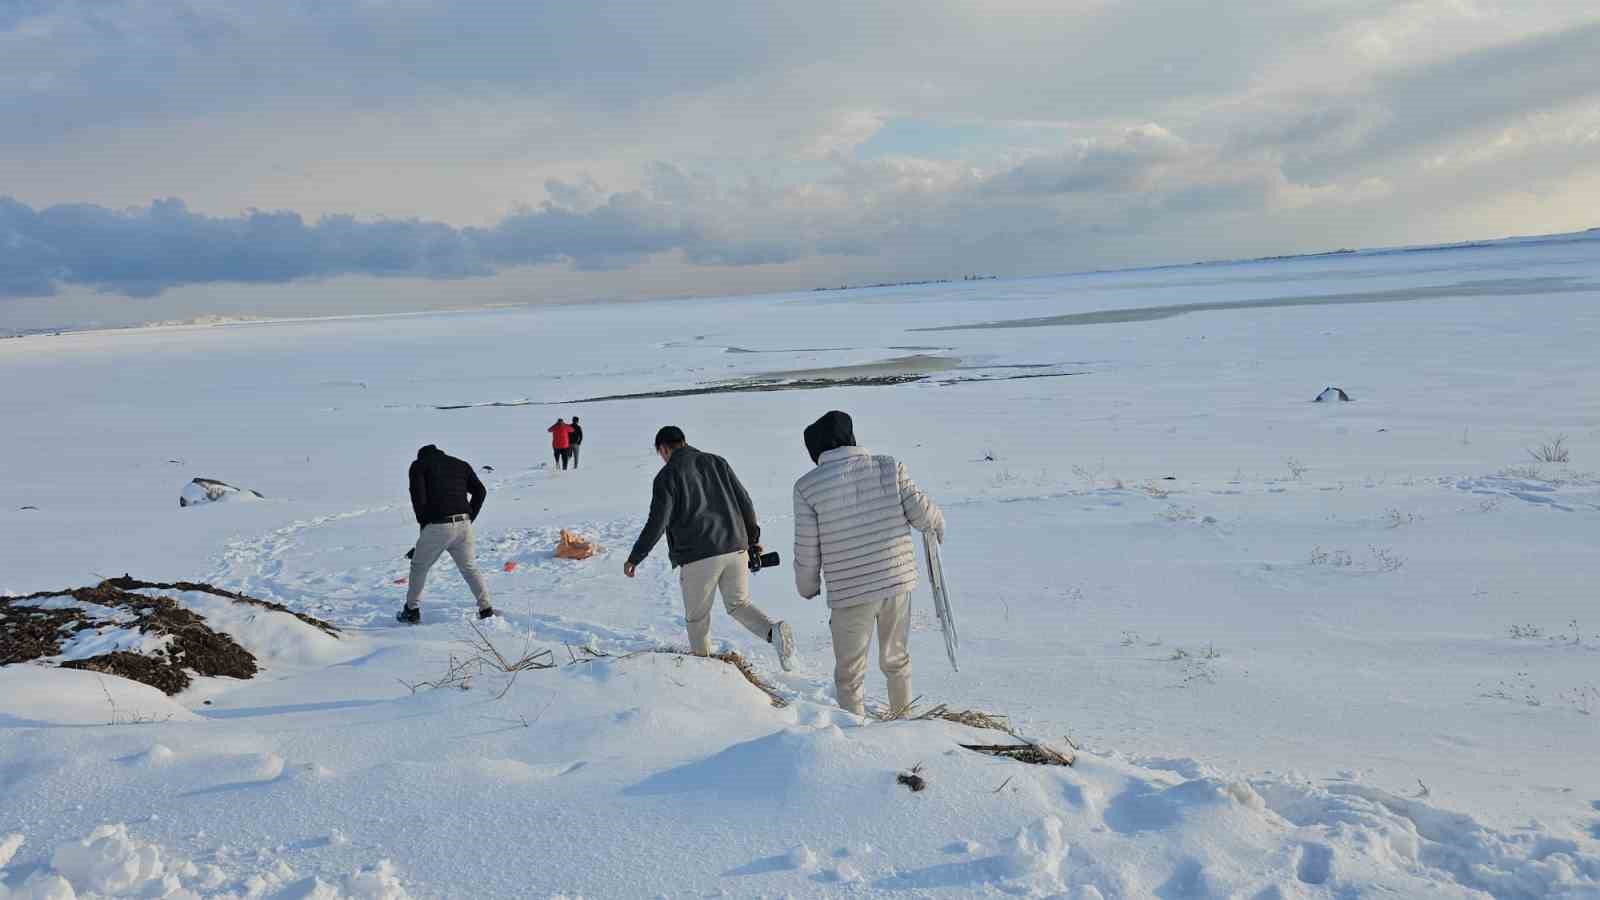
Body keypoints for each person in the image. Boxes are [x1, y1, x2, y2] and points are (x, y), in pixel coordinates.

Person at [793, 411, 944, 716]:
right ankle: (904, 720)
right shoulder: (889, 467)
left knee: (849, 673)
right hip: (896, 583)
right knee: (896, 659)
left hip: (850, 591)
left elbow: (807, 546)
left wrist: (807, 586)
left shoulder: (807, 487)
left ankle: (854, 732)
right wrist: (938, 525)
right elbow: (925, 516)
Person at [624, 426, 796, 671]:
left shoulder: (667, 476)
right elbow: (744, 501)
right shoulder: (717, 462)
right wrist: (752, 539)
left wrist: (635, 557)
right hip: (736, 547)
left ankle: (704, 671)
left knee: (697, 617)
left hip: (699, 555)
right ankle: (773, 632)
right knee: (739, 604)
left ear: (663, 449)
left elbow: (657, 522)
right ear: (683, 441)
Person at [399, 444, 494, 623]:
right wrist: (469, 517)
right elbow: (480, 491)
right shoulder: (460, 464)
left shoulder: (419, 465)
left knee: (419, 567)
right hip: (464, 525)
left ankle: (411, 611)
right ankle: (486, 608)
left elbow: (418, 498)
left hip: (438, 525)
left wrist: (424, 529)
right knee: (470, 567)